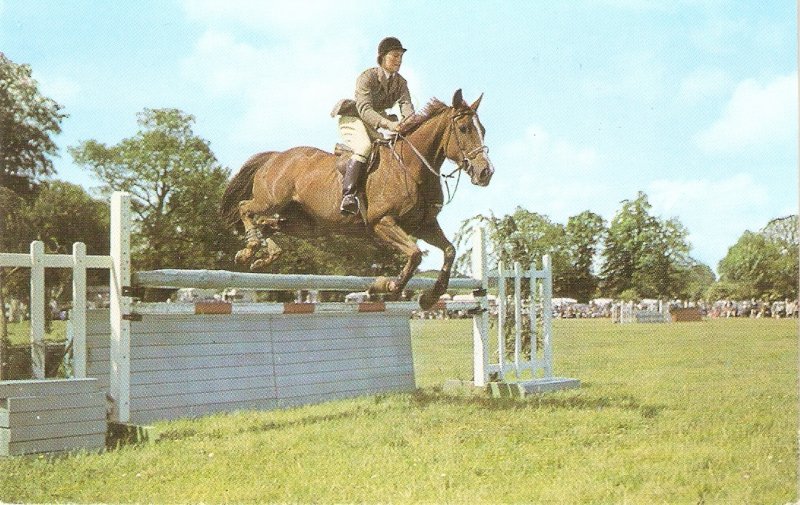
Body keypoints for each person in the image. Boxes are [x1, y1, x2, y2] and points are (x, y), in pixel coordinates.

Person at [331, 37, 415, 214]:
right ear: (382, 58)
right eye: (394, 56)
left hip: (373, 125)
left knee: (387, 152)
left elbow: (407, 106)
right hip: (353, 118)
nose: (398, 60)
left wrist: (409, 123)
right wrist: (390, 125)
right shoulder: (367, 77)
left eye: (400, 57)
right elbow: (364, 109)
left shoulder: (401, 83)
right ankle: (348, 196)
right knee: (364, 147)